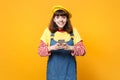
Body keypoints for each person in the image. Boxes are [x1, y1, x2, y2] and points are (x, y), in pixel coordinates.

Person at [38, 5, 86, 80]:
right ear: (54, 19)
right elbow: (40, 51)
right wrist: (53, 47)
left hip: (69, 72)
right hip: (53, 73)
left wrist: (69, 47)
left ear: (67, 19)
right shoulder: (48, 32)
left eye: (63, 17)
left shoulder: (74, 31)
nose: (61, 20)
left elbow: (83, 51)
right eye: (57, 17)